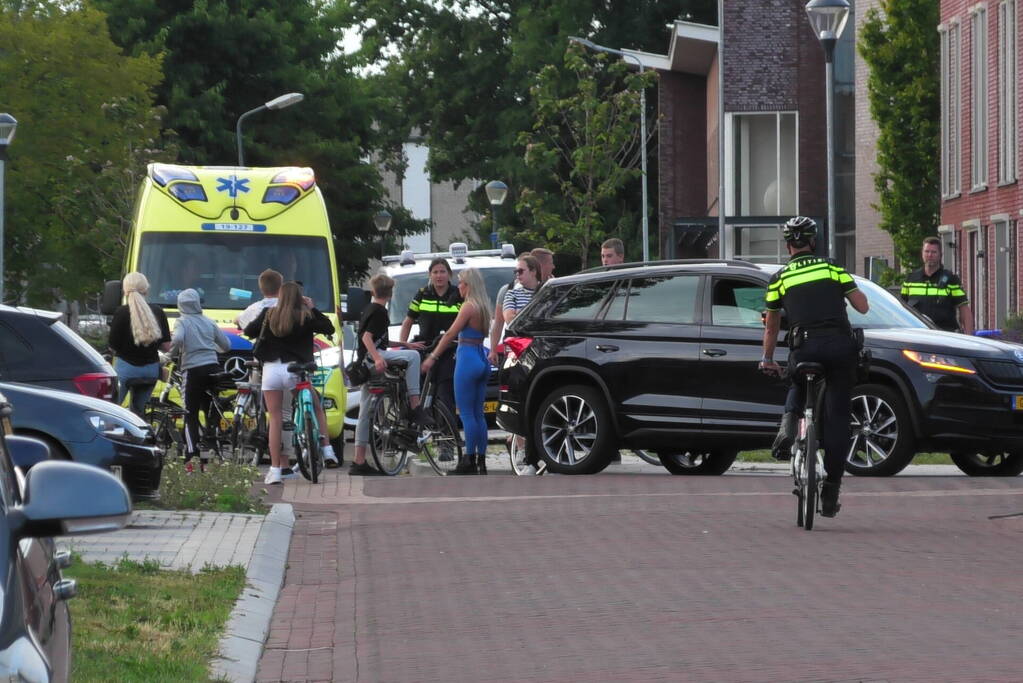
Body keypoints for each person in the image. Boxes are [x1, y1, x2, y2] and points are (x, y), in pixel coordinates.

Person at [759, 217, 869, 518]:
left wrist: (767, 359)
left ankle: (789, 424)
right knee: (837, 417)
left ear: (787, 246)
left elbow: (771, 326)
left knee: (795, 377)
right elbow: (863, 306)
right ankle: (831, 489)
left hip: (805, 347)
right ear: (814, 241)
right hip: (839, 348)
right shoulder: (832, 268)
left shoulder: (779, 278)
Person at [244, 282, 338, 484]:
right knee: (315, 405)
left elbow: (250, 331)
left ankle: (276, 470)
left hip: (271, 371)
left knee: (276, 420)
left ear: (280, 296)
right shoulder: (306, 315)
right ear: (299, 297)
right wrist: (312, 307)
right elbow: (328, 327)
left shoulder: (269, 314)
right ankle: (327, 449)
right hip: (295, 370)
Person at [350, 273, 425, 476]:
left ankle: (358, 460)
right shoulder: (380, 312)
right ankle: (415, 403)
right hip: (372, 360)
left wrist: (403, 344)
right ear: (391, 293)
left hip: (363, 364)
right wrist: (377, 358)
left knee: (364, 413)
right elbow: (367, 339)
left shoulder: (368, 309)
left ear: (373, 291)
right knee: (414, 357)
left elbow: (377, 339)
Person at [422, 268, 492, 475]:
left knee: (467, 414)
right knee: (479, 414)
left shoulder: (468, 306)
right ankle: (481, 461)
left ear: (469, 285)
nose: (458, 286)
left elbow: (451, 333)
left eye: (461, 283)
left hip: (467, 358)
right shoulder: (483, 307)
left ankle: (468, 460)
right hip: (481, 356)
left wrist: (433, 356)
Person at [171, 288, 231, 473]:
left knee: (190, 413)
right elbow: (226, 345)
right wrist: (208, 348)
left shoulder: (182, 321)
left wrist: (170, 354)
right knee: (209, 409)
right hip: (212, 367)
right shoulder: (209, 321)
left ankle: (192, 456)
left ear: (180, 305)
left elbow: (178, 339)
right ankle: (212, 445)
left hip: (193, 369)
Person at [399, 258, 462, 415]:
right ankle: (418, 423)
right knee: (417, 390)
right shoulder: (422, 294)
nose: (439, 276)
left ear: (449, 274)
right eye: (435, 272)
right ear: (430, 275)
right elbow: (408, 321)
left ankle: (446, 431)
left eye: (442, 272)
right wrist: (403, 345)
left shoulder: (458, 294)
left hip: (449, 349)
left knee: (444, 391)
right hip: (424, 347)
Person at [108, 272, 172, 416]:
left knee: (111, 412)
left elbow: (113, 345)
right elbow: (167, 346)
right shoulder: (158, 311)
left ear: (125, 290)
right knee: (138, 413)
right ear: (146, 289)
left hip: (126, 370)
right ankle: (141, 435)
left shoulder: (121, 312)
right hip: (151, 370)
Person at [900, 237, 974, 334]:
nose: (929, 255)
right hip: (917, 335)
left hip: (945, 334)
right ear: (922, 253)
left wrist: (968, 337)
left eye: (933, 252)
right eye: (927, 251)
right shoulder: (911, 279)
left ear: (940, 255)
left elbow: (964, 310)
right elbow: (901, 308)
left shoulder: (951, 279)